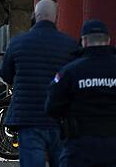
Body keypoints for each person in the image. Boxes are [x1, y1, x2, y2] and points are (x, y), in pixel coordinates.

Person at [0, 0, 77, 167]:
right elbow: (75, 81)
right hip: (59, 118)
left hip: (27, 116)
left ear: (35, 15)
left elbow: (6, 75)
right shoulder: (70, 45)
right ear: (55, 17)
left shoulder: (17, 43)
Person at [46, 20, 116, 167]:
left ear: (83, 41)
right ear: (108, 40)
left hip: (79, 147)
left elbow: (51, 107)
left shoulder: (70, 71)